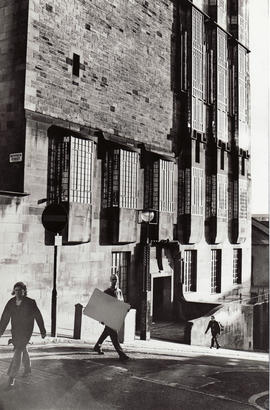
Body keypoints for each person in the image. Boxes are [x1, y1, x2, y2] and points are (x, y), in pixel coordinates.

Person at [0, 282, 46, 387]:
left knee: (18, 352)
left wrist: (42, 331)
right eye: (16, 290)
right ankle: (28, 369)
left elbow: (38, 316)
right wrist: (0, 331)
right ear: (14, 291)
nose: (18, 292)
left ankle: (12, 377)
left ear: (24, 291)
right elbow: (4, 318)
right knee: (22, 348)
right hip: (16, 331)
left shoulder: (30, 302)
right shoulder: (11, 303)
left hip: (26, 332)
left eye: (20, 290)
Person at [93, 274, 130, 361]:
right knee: (114, 335)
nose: (115, 281)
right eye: (113, 279)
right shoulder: (107, 292)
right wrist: (101, 318)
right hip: (108, 317)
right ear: (110, 281)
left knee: (106, 332)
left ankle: (97, 346)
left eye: (116, 279)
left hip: (115, 316)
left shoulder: (119, 291)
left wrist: (125, 308)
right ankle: (121, 353)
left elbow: (121, 303)